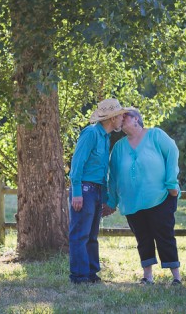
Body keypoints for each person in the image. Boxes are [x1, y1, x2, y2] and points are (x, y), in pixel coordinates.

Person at [106, 107, 182, 285]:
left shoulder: (155, 135)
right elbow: (113, 177)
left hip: (160, 198)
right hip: (132, 202)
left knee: (165, 236)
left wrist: (172, 183)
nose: (121, 119)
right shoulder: (119, 147)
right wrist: (112, 201)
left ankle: (176, 277)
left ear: (136, 119)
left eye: (125, 116)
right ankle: (147, 276)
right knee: (143, 238)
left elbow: (172, 152)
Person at [67, 98, 128, 284]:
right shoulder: (91, 133)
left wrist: (106, 197)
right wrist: (77, 192)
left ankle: (91, 274)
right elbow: (77, 163)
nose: (123, 118)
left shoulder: (106, 138)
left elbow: (103, 172)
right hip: (84, 190)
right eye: (120, 115)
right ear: (112, 118)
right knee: (80, 234)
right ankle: (79, 276)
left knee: (92, 236)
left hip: (97, 190)